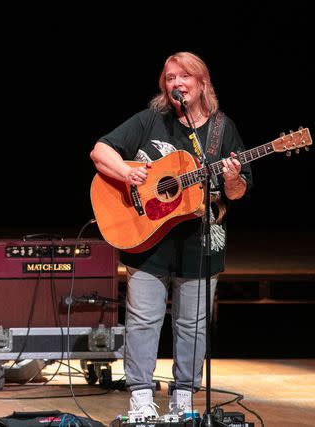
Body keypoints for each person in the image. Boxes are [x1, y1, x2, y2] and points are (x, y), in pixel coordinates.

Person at [90, 52, 252, 419]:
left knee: (192, 325)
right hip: (146, 240)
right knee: (143, 320)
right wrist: (126, 174)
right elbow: (100, 150)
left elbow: (238, 192)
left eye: (184, 77)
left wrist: (231, 179)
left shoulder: (222, 131)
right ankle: (141, 397)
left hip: (200, 242)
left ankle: (183, 397)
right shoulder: (150, 120)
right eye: (169, 77)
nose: (176, 83)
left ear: (201, 83)